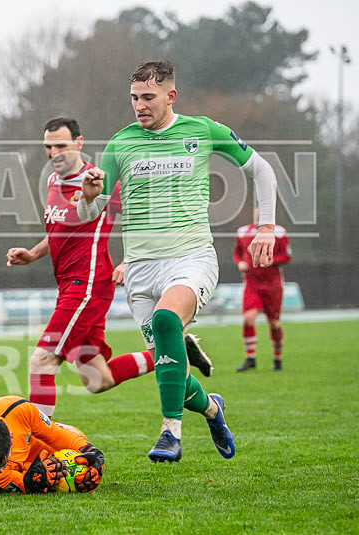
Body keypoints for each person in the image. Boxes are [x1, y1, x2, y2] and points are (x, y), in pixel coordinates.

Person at [77, 60, 279, 462]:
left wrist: (267, 227)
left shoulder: (201, 130)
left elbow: (262, 168)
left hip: (191, 258)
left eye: (148, 97)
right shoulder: (120, 143)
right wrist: (87, 195)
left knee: (168, 322)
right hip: (139, 271)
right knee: (173, 365)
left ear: (171, 96)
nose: (139, 105)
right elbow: (91, 213)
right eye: (134, 98)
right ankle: (212, 409)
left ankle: (170, 433)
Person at [6, 116, 212, 419]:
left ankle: (39, 448)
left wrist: (130, 260)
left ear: (79, 143)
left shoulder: (99, 181)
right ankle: (170, 351)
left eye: (61, 145)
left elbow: (145, 216)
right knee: (97, 379)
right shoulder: (53, 181)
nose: (54, 153)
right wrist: (33, 254)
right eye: (48, 147)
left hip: (87, 287)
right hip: (70, 286)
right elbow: (61, 232)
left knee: (42, 361)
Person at [0, 396, 105, 493]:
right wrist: (34, 481)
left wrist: (91, 451)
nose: (2, 469)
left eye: (3, 463)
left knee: (77, 437)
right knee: (48, 478)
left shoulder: (19, 409)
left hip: (22, 440)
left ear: (11, 438)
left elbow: (55, 434)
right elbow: (23, 483)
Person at [234, 209, 291, 372]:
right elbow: (237, 254)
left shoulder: (279, 233)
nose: (260, 212)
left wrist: (272, 260)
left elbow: (286, 256)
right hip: (252, 284)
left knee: (274, 324)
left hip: (272, 285)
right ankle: (250, 358)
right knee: (248, 319)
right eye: (257, 209)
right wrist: (240, 263)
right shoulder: (243, 232)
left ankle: (277, 358)